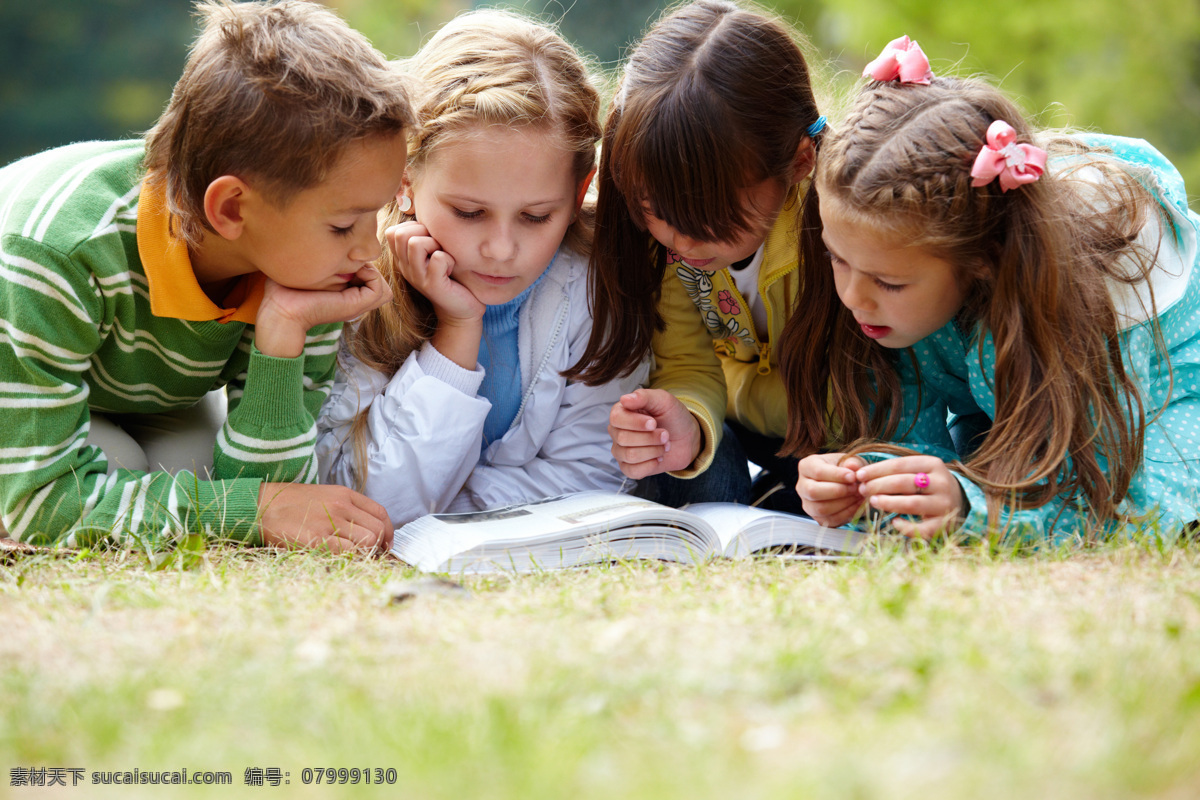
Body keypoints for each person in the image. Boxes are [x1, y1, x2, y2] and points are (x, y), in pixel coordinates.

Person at [0, 0, 415, 552]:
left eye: (378, 212)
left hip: (131, 396)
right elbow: (45, 504)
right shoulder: (56, 252)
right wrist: (245, 510)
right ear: (231, 210)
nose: (370, 248)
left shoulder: (303, 263)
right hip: (19, 379)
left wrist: (283, 331)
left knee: (189, 469)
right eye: (344, 225)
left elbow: (273, 497)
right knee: (106, 473)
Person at [782, 36, 1200, 540]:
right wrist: (864, 478)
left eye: (888, 283)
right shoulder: (892, 286)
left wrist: (971, 508)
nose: (851, 297)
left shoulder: (1091, 301)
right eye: (836, 258)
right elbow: (910, 436)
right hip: (1020, 403)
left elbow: (1110, 499)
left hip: (1160, 393)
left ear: (982, 259)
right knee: (986, 452)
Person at [315, 10, 648, 526]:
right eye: (469, 213)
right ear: (403, 179)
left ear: (580, 192)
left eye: (536, 216)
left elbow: (592, 480)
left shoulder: (596, 284)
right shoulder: (349, 284)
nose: (500, 248)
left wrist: (446, 496)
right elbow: (356, 500)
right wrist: (456, 333)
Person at [562, 0, 827, 511]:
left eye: (708, 217)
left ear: (798, 161)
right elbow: (686, 361)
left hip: (848, 435)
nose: (681, 242)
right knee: (698, 471)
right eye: (654, 209)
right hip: (743, 429)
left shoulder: (835, 227)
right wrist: (687, 424)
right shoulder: (668, 252)